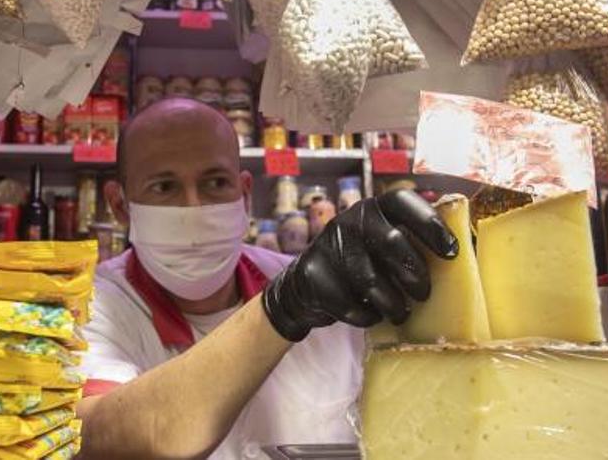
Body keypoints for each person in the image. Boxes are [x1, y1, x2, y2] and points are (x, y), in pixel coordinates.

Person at [77, 98, 458, 459]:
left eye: (215, 183)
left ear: (244, 194)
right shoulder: (89, 308)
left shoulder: (321, 284)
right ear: (119, 207)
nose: (193, 207)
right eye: (164, 187)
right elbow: (111, 440)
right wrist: (281, 309)